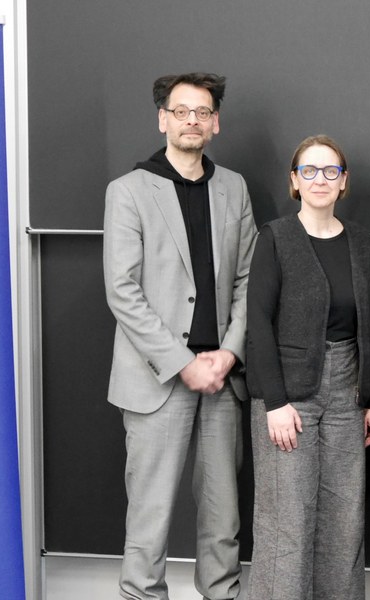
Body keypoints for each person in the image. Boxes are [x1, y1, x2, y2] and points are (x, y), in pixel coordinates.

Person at [103, 72, 256, 600]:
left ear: (215, 123)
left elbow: (248, 281)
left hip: (222, 378)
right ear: (163, 119)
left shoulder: (233, 187)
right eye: (181, 110)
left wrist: (228, 353)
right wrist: (183, 362)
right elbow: (122, 291)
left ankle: (222, 592)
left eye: (203, 111)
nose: (193, 120)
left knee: (223, 512)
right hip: (157, 379)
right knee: (150, 512)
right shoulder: (127, 191)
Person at [245, 135, 370, 599]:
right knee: (289, 515)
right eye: (309, 170)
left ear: (344, 182)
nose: (319, 180)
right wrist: (274, 402)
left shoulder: (360, 241)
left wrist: (369, 398)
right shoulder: (275, 237)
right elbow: (257, 323)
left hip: (347, 389)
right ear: (293, 181)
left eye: (330, 171)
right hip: (289, 394)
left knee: (345, 514)